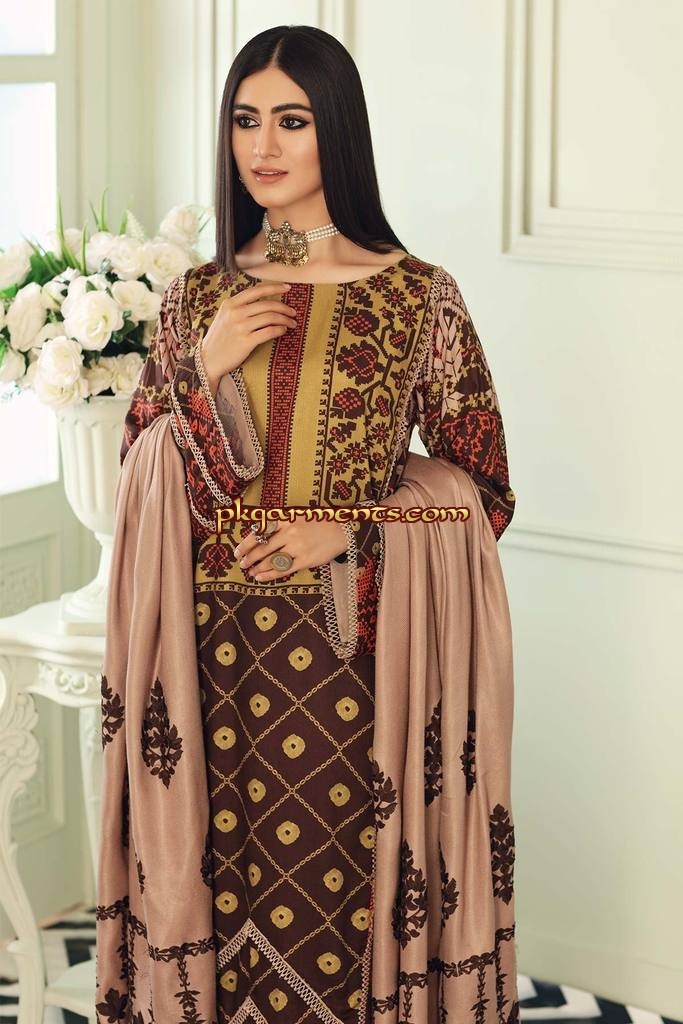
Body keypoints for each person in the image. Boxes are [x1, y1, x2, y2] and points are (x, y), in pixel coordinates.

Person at [96, 24, 518, 1024]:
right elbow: (141, 469)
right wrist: (201, 367)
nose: (263, 145)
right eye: (245, 120)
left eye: (291, 120)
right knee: (213, 892)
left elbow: (481, 485)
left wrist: (355, 531)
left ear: (338, 129)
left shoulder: (417, 296)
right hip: (203, 664)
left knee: (339, 909)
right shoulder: (197, 295)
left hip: (351, 663)